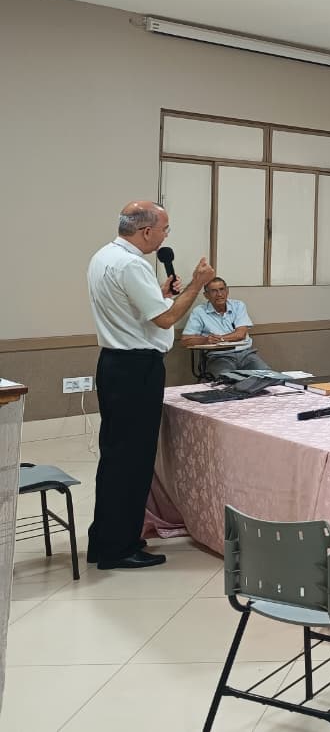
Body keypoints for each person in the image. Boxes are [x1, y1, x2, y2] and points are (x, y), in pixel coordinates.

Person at [87, 200, 215, 570]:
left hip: (114, 365)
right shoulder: (132, 265)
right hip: (136, 369)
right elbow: (166, 319)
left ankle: (106, 540)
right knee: (133, 460)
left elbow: (140, 309)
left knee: (116, 456)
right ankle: (119, 548)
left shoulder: (104, 256)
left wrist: (163, 293)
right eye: (164, 229)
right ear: (146, 231)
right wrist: (197, 284)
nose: (165, 236)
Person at [180, 277, 273, 376]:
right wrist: (206, 340)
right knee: (227, 379)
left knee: (268, 375)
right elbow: (185, 340)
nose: (219, 294)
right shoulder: (199, 312)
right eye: (214, 291)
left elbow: (240, 335)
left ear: (227, 291)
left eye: (222, 289)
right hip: (218, 356)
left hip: (245, 354)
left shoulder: (238, 306)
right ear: (206, 295)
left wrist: (220, 338)